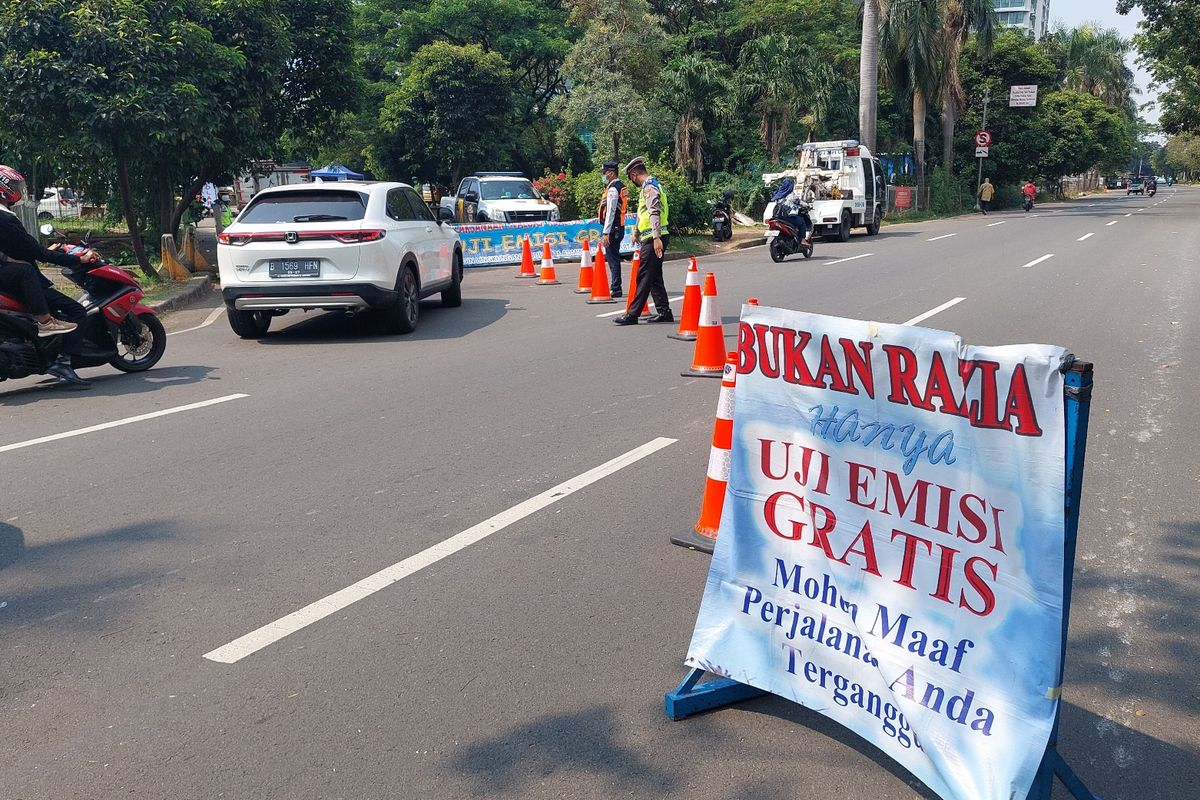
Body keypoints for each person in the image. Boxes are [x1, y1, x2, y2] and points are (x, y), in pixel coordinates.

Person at [0, 165, 98, 386]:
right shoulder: (5, 219)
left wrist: (44, 252)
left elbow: (25, 249)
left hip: (11, 276)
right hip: (17, 279)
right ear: (4, 188)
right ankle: (62, 361)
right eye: (14, 186)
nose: (18, 190)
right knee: (76, 311)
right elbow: (34, 252)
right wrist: (77, 259)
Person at [613, 157, 672, 326]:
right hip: (651, 235)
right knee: (654, 276)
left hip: (654, 237)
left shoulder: (650, 187)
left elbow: (654, 211)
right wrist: (637, 230)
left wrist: (656, 237)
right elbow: (644, 212)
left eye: (631, 178)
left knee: (644, 275)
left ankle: (632, 314)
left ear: (634, 174)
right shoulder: (652, 185)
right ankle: (664, 311)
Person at [599, 161, 629, 297]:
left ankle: (616, 288)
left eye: (604, 173)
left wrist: (606, 232)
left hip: (613, 228)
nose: (603, 176)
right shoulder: (621, 186)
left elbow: (610, 211)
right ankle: (616, 287)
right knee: (614, 257)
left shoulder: (613, 189)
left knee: (613, 258)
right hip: (619, 226)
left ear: (611, 173)